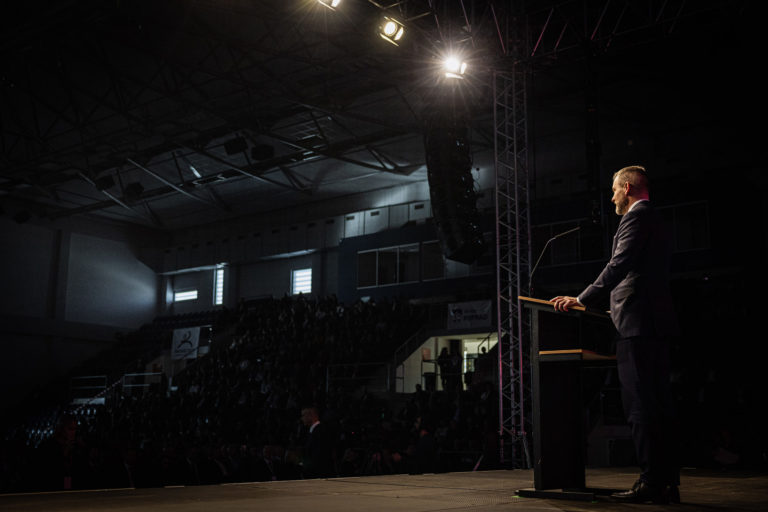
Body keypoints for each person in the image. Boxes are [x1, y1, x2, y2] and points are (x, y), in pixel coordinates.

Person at [551, 165, 680, 504]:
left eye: (613, 191)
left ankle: (651, 483)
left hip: (638, 324)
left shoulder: (637, 216)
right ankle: (667, 483)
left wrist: (581, 299)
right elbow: (643, 271)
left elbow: (619, 265)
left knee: (640, 407)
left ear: (626, 188)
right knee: (659, 407)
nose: (611, 199)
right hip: (652, 322)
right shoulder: (657, 218)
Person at [300, 406, 335, 478]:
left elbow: (320, 455)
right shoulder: (315, 431)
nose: (302, 418)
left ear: (311, 416)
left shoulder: (320, 431)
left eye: (303, 415)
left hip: (320, 474)